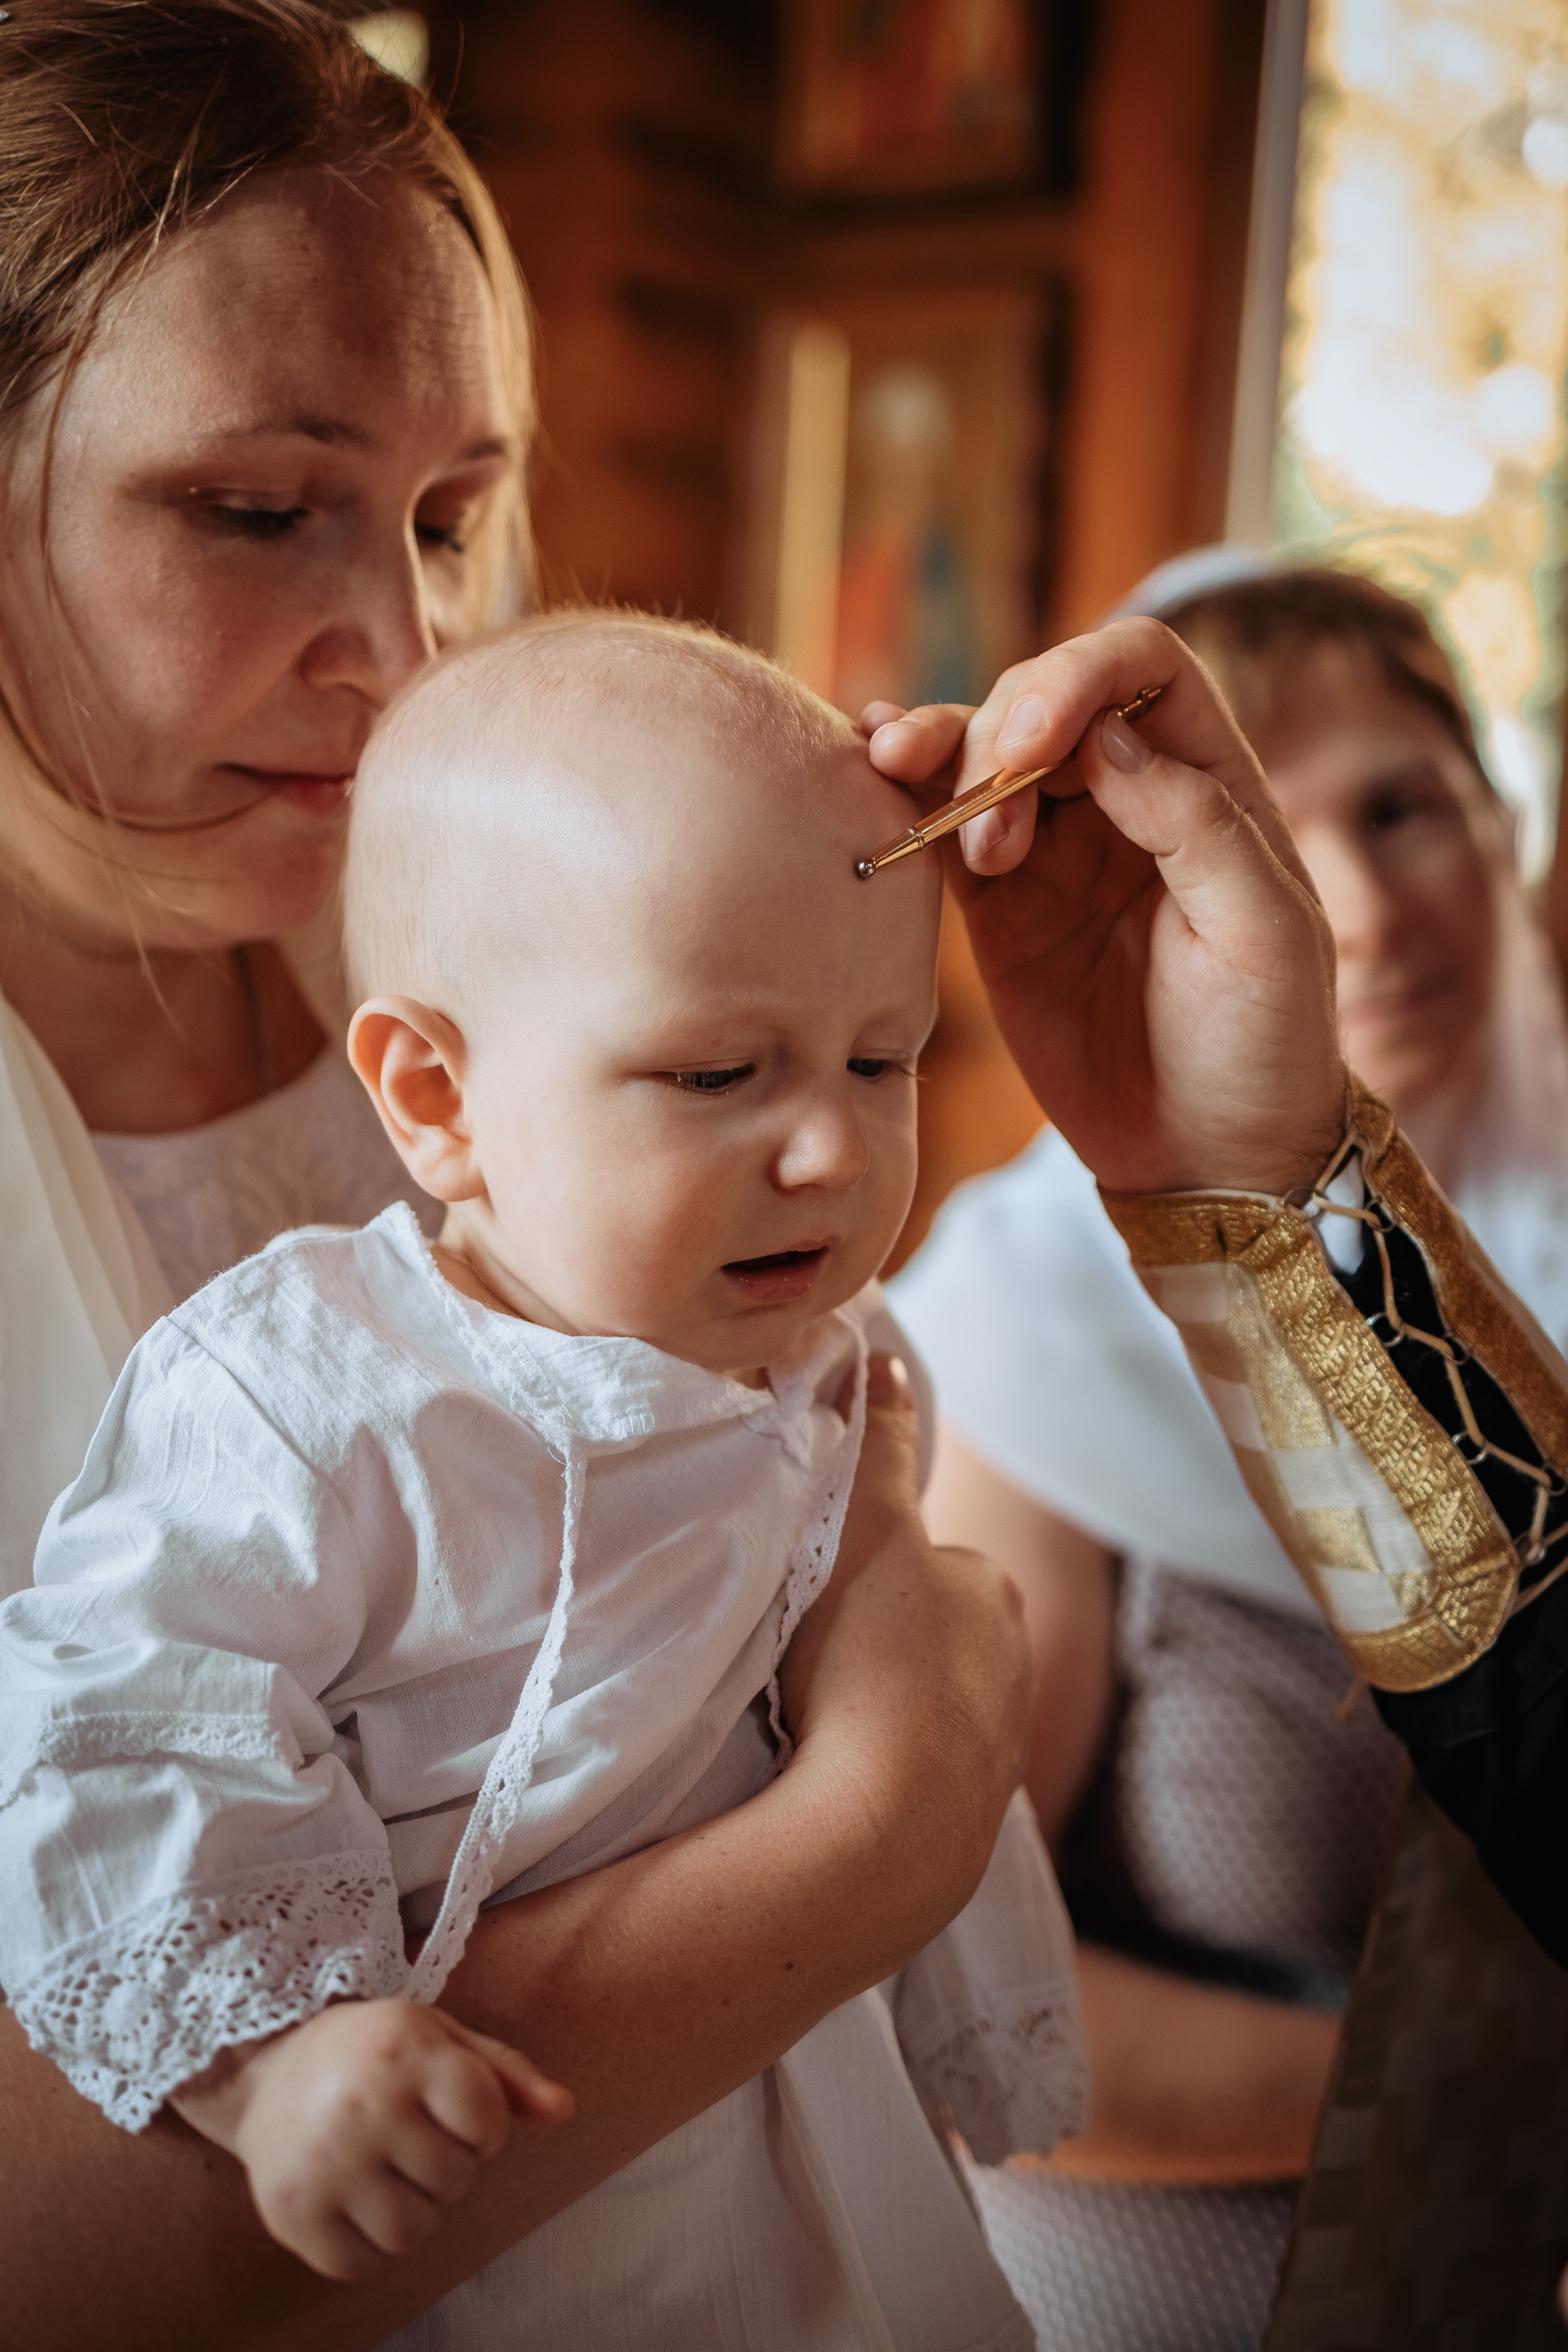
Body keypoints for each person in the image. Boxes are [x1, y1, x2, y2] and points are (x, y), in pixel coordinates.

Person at [0, 10, 1035, 2346]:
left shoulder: (577, 996)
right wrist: (872, 1832)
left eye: (454, 515)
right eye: (257, 508)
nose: (408, 646)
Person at [888, 559, 1568, 2346]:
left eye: (1402, 808)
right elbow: (924, 1983)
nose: (1352, 902)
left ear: (1508, 824)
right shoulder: (1034, 1326)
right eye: (1261, 830)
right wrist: (1455, 2107)